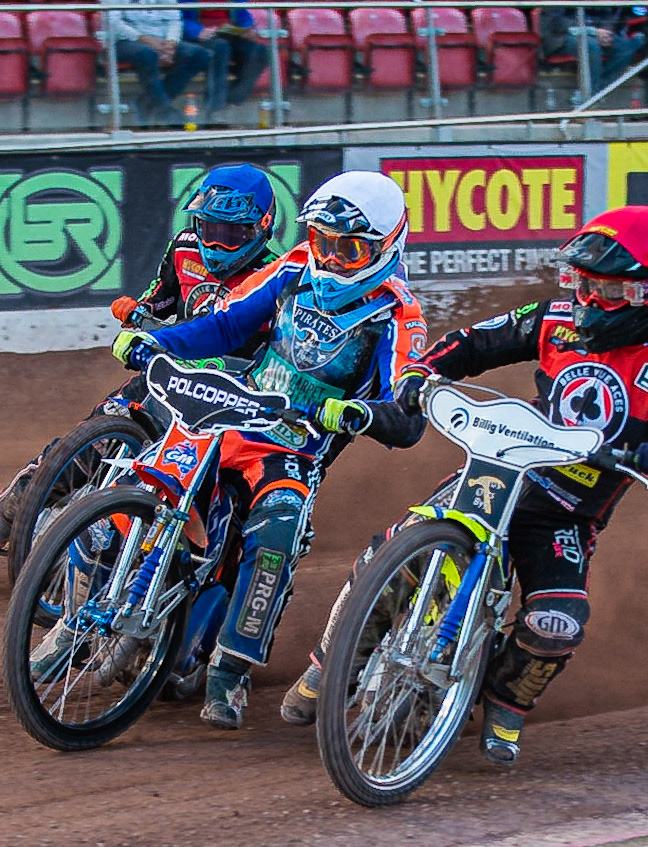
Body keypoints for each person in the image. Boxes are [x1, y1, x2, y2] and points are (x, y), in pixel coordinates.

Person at [280, 205, 648, 768]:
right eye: (583, 283)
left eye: (609, 290)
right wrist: (419, 373)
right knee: (395, 549)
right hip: (501, 471)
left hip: (566, 513)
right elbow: (475, 342)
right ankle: (329, 665)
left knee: (558, 619)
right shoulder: (554, 318)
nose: (590, 301)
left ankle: (506, 703)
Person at [109, 170, 429, 730]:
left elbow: (406, 415)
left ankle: (230, 672)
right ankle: (84, 597)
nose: (331, 258)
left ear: (386, 244)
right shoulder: (294, 265)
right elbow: (227, 326)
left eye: (349, 249)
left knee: (276, 532)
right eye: (324, 241)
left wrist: (363, 413)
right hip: (229, 412)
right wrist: (155, 341)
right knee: (136, 483)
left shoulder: (398, 313)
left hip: (294, 446)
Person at [0, 163, 280, 561]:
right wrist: (139, 312)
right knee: (98, 427)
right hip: (171, 373)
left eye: (231, 234)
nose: (215, 245)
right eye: (209, 229)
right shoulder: (183, 248)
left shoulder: (278, 277)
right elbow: (160, 299)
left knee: (225, 486)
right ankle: (11, 509)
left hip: (232, 398)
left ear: (261, 227)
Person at [107, 0, 212, 125]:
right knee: (147, 54)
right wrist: (146, 39)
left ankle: (146, 102)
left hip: (162, 40)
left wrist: (170, 43)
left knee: (200, 55)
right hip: (125, 40)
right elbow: (113, 22)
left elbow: (175, 19)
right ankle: (165, 111)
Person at [180, 0, 270, 117]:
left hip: (229, 35)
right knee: (220, 47)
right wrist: (197, 31)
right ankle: (215, 109)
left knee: (260, 51)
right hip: (199, 38)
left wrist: (248, 29)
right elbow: (178, 18)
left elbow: (243, 14)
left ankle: (233, 98)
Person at [539, 6, 647, 91]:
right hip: (561, 35)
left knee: (626, 48)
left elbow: (608, 16)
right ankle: (591, 97)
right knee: (591, 45)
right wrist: (592, 31)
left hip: (595, 33)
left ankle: (598, 91)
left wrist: (604, 32)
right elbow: (557, 23)